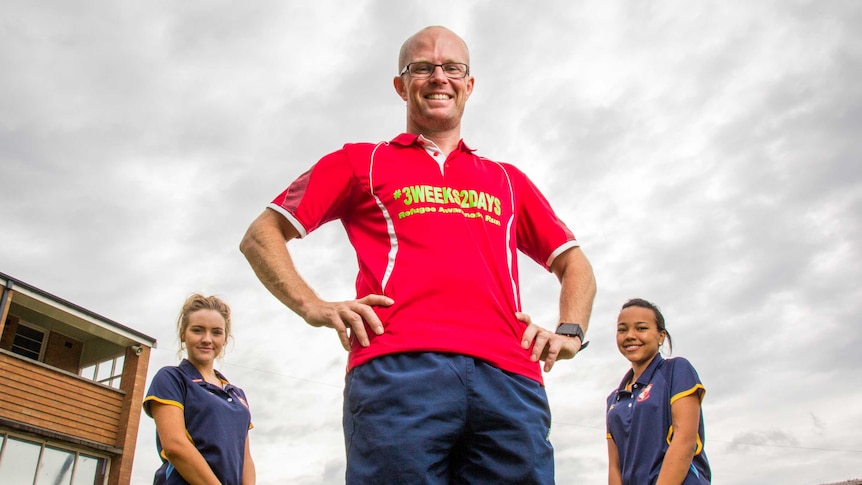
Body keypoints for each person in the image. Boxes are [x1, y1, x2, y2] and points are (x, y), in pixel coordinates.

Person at [240, 25, 596, 484]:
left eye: (452, 68)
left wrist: (570, 329)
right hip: (398, 371)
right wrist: (314, 306)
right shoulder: (359, 161)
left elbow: (575, 263)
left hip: (510, 378)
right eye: (422, 67)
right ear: (400, 84)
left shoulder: (508, 179)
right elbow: (260, 235)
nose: (438, 77)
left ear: (469, 85)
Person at [143, 294, 255, 485]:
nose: (207, 339)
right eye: (197, 330)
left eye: (216, 332)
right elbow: (175, 446)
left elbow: (245, 458)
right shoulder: (171, 378)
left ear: (225, 339)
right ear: (183, 334)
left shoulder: (237, 395)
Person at [606, 298, 711, 484]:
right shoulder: (613, 400)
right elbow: (615, 465)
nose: (630, 335)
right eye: (622, 329)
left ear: (661, 336)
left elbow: (684, 440)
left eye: (641, 328)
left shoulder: (677, 370)